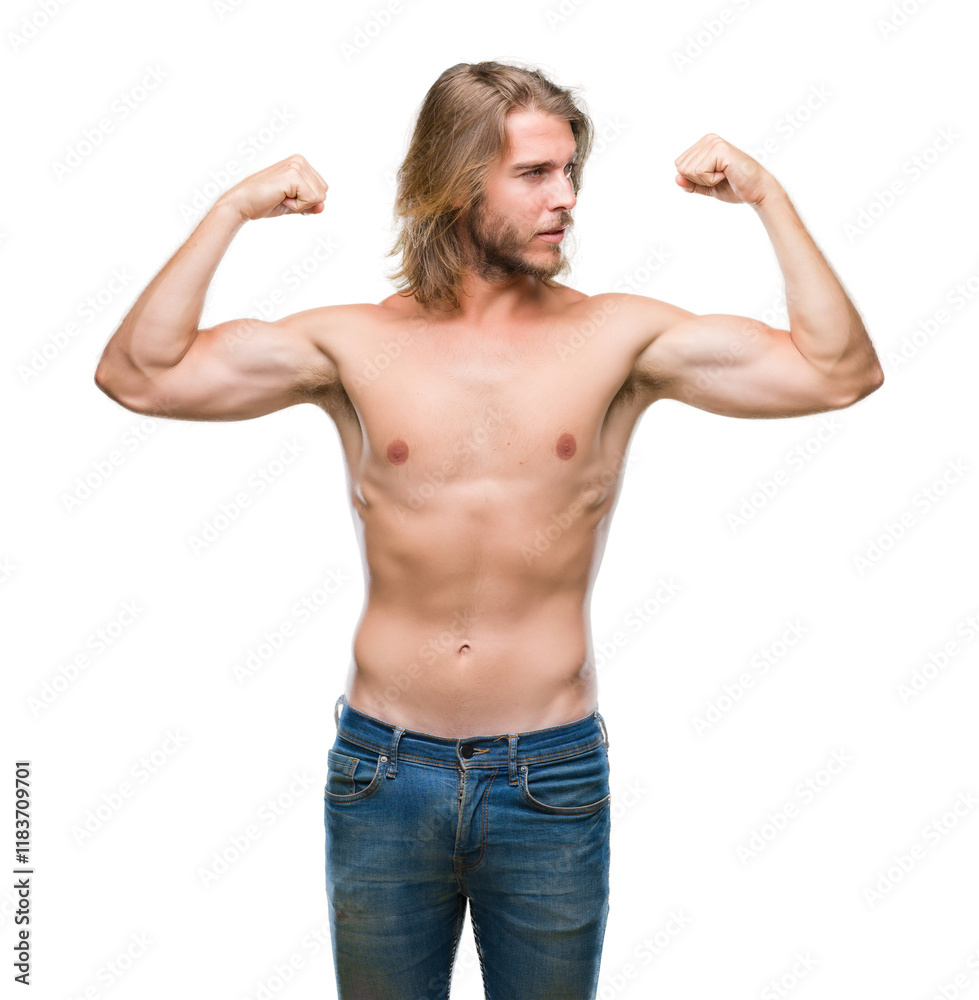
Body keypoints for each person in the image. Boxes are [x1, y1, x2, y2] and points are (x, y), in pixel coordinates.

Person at [94, 60, 883, 1000]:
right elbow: (140, 374)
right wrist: (229, 208)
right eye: (536, 175)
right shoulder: (354, 343)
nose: (567, 199)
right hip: (383, 772)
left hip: (547, 777)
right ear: (456, 182)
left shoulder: (614, 339)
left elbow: (837, 371)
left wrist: (768, 196)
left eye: (569, 173)